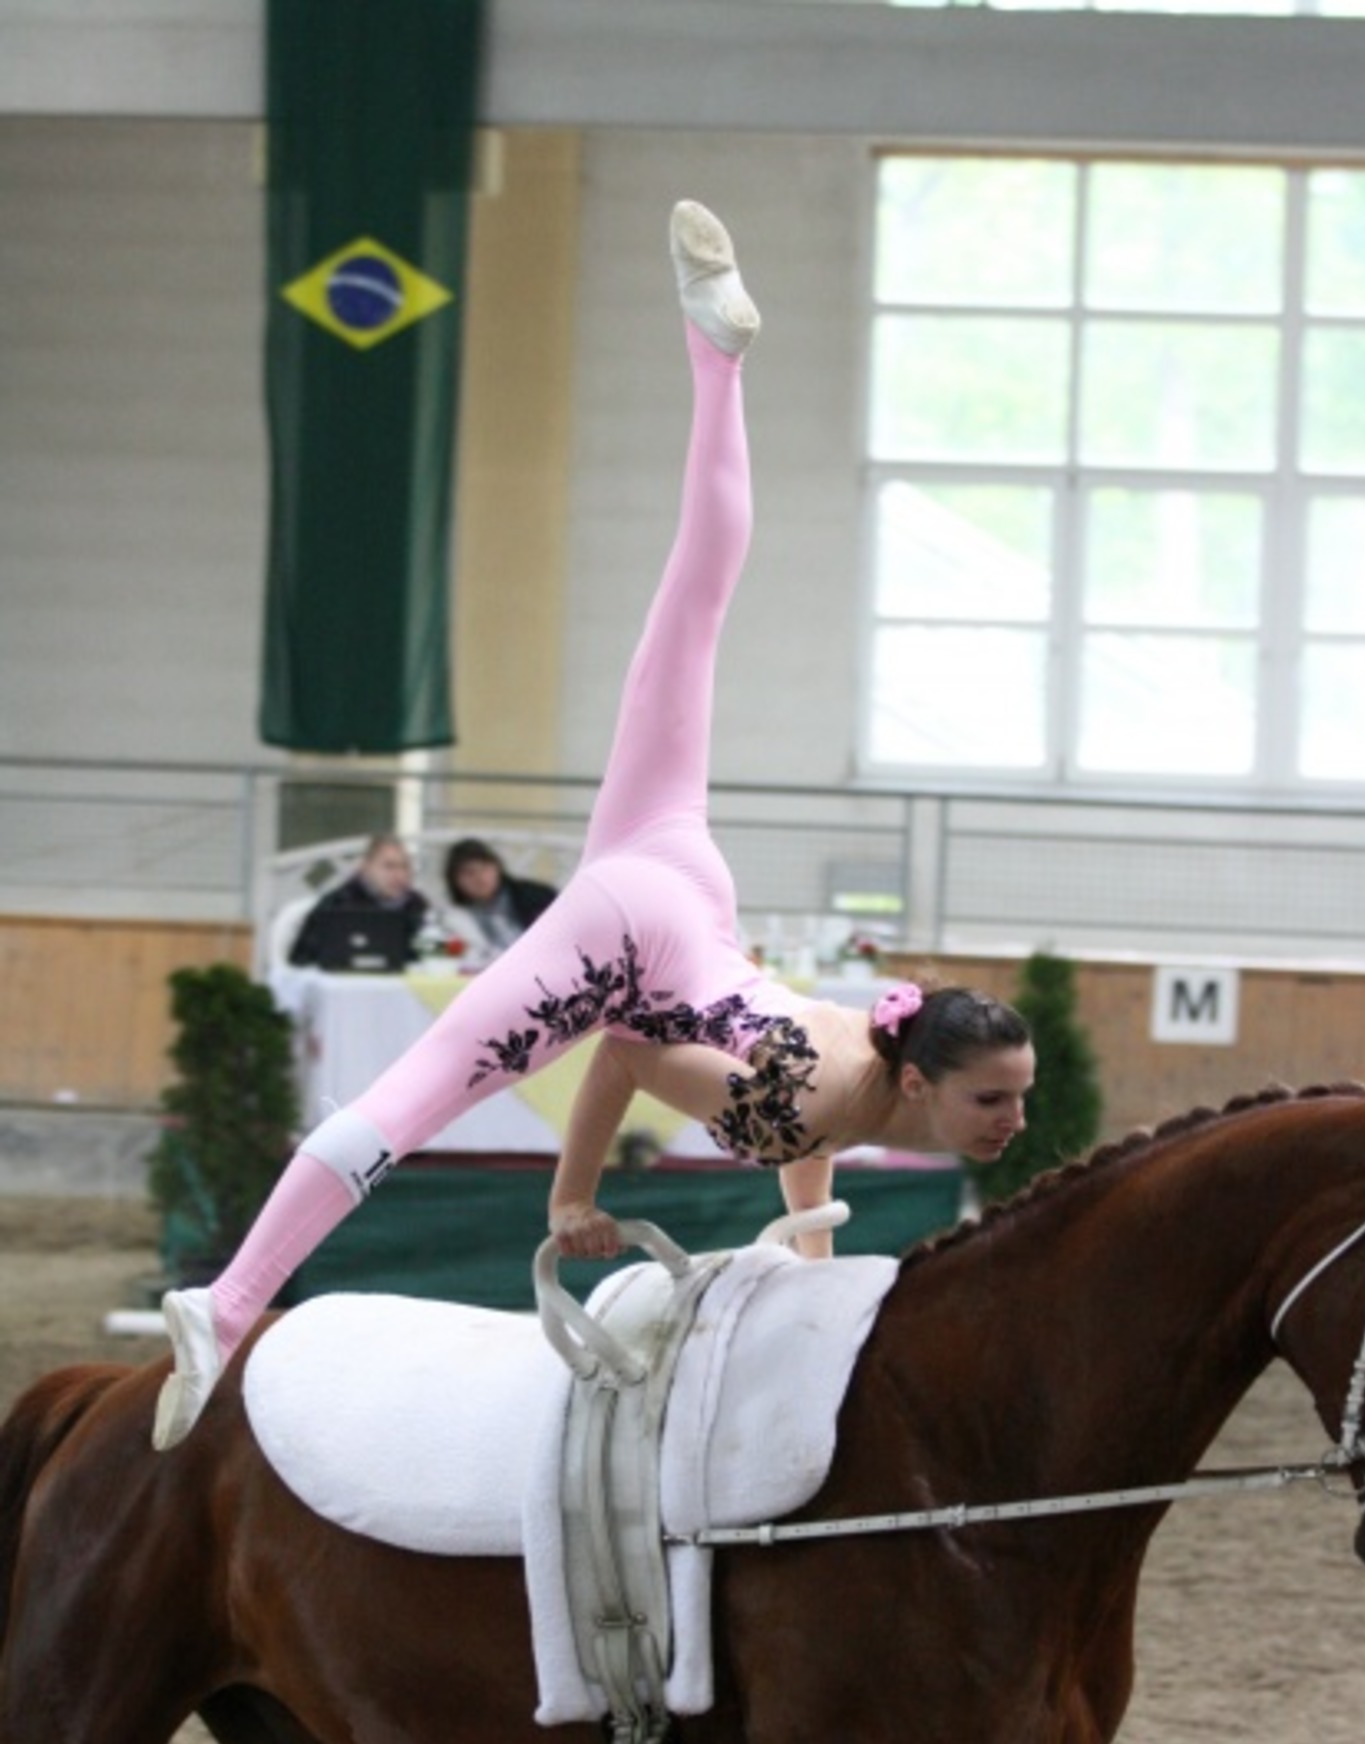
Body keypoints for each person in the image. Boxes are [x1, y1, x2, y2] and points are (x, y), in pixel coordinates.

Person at [154, 199, 1035, 1450]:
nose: (1010, 1120)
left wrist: (816, 1237)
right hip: (635, 942)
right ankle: (226, 1304)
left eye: (1012, 1097)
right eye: (993, 1099)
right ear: (919, 1084)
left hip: (669, 862)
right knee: (403, 1102)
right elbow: (626, 1054)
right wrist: (572, 1192)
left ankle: (713, 353)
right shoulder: (802, 1096)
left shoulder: (866, 1057)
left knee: (694, 600)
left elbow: (816, 1133)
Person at [287, 834, 430, 967]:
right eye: (389, 866)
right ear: (366, 867)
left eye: (405, 867)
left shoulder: (417, 906)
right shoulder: (337, 905)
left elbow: (432, 957)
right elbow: (301, 959)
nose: (400, 875)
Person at [442, 836, 558, 967]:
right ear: (455, 880)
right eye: (469, 873)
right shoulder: (454, 918)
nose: (479, 878)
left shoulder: (536, 897)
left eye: (485, 868)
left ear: (497, 868)